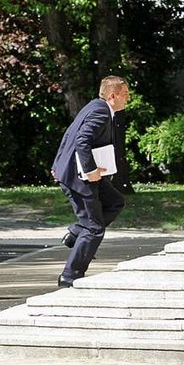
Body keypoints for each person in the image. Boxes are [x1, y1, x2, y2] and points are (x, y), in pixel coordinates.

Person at [51, 76, 130, 287]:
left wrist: (58, 164)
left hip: (78, 172)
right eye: (125, 94)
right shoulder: (101, 111)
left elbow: (70, 133)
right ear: (112, 96)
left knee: (115, 202)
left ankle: (76, 233)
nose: (128, 98)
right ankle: (70, 276)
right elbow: (81, 139)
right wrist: (91, 169)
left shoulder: (95, 106)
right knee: (94, 228)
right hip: (80, 176)